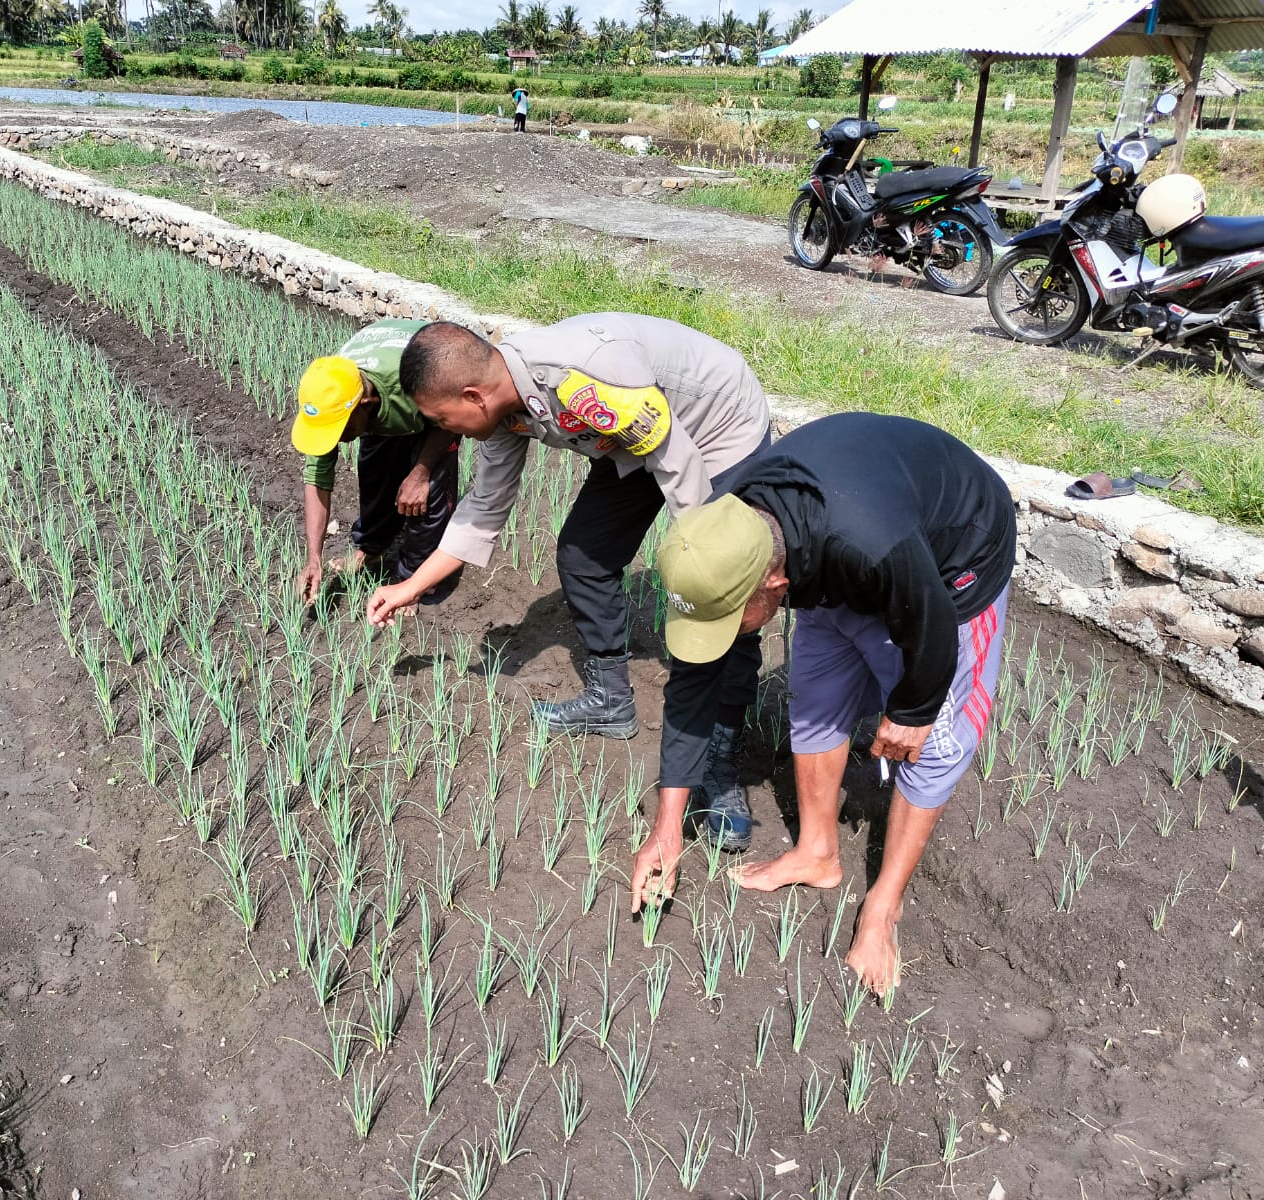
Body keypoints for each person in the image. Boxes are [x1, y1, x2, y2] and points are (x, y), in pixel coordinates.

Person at [631, 414, 1017, 995]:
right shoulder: (722, 535)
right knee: (815, 694)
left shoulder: (873, 546)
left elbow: (933, 623)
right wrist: (668, 827)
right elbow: (693, 684)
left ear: (773, 585)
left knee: (933, 741)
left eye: (729, 620)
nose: (722, 634)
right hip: (844, 548)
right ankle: (817, 852)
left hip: (954, 562)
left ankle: (885, 905)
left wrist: (912, 711)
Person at [365, 315, 770, 840]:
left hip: (714, 428)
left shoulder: (585, 381)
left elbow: (679, 466)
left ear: (473, 397)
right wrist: (409, 588)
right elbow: (484, 507)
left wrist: (704, 565)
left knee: (720, 592)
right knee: (583, 555)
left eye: (442, 419)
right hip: (635, 437)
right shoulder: (502, 409)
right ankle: (611, 701)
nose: (445, 431)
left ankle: (721, 753)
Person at [291, 318, 461, 606]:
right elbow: (317, 478)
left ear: (365, 405)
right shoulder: (331, 394)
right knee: (375, 476)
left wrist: (420, 474)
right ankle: (372, 548)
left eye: (340, 430)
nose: (337, 440)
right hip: (385, 402)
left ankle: (415, 578)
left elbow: (451, 418)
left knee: (426, 494)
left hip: (438, 404)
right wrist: (314, 558)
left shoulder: (412, 380)